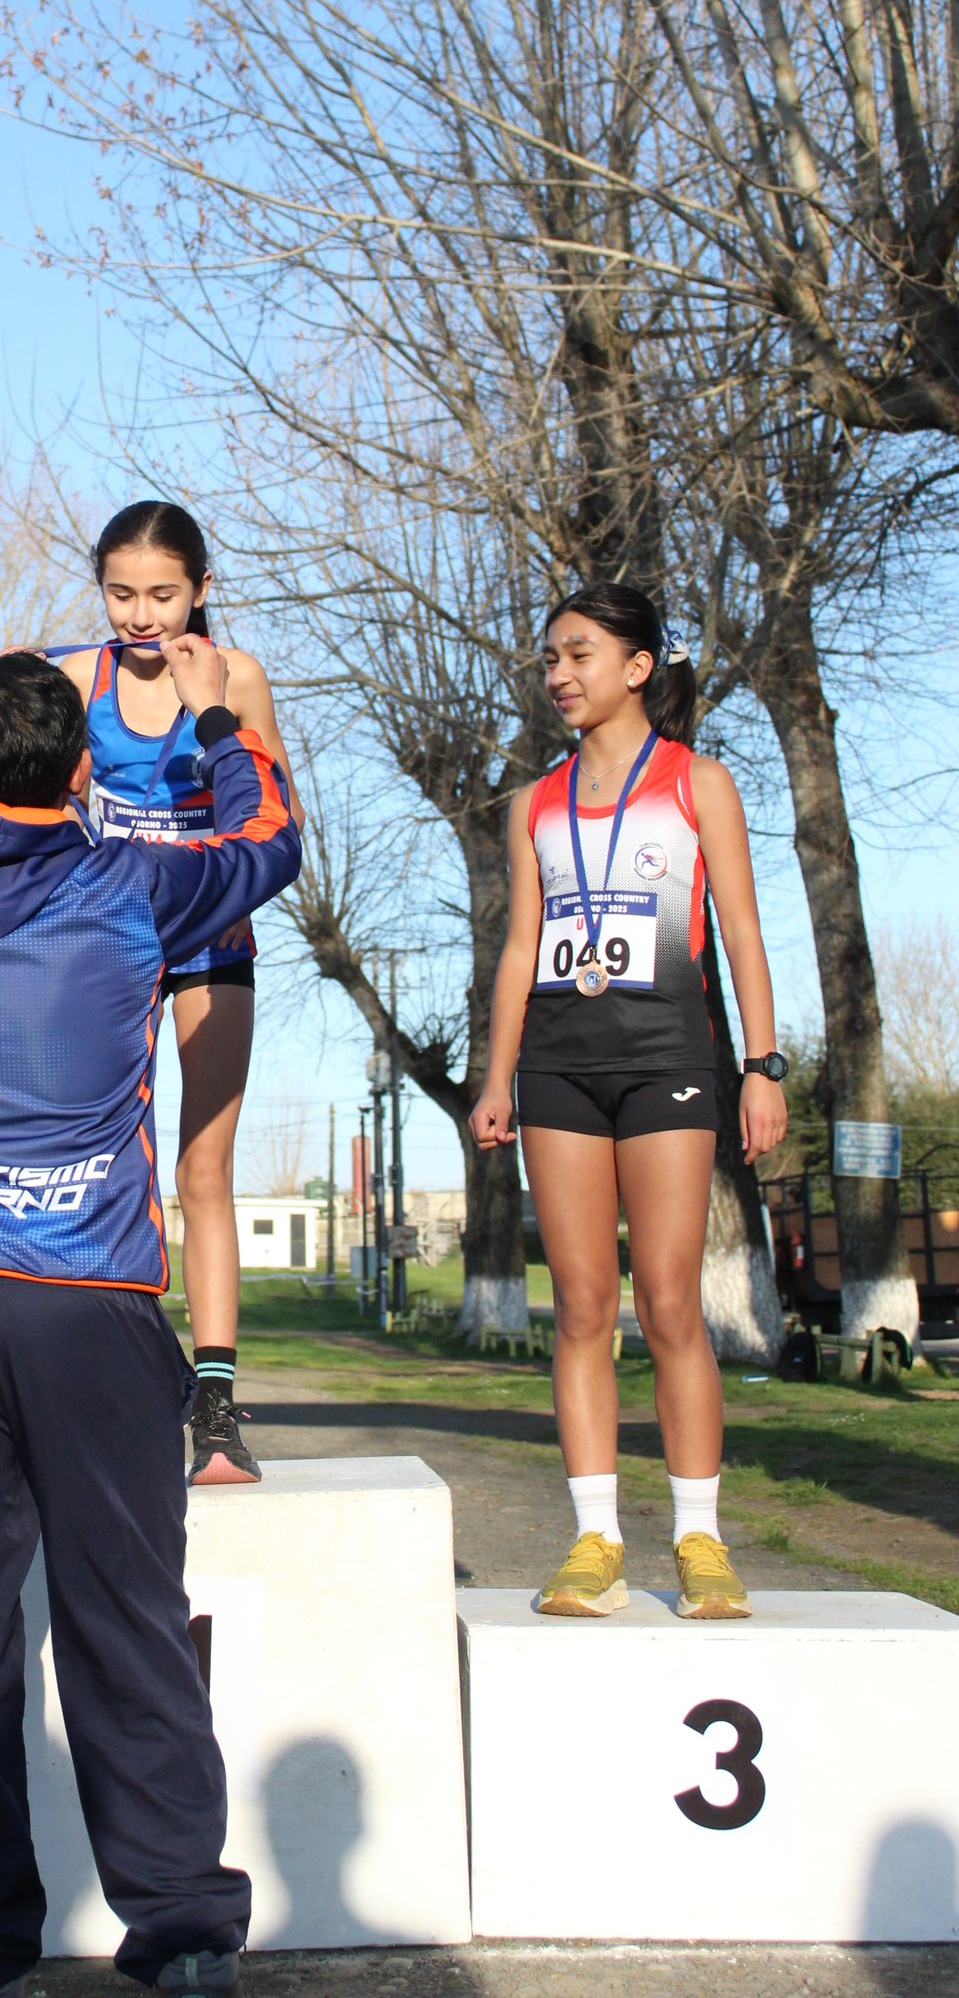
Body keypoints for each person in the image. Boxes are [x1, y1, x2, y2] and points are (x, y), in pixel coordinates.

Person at [0, 641, 301, 1998]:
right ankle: (185, 1932)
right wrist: (214, 718)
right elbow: (266, 834)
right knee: (126, 1620)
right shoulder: (137, 884)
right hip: (89, 1304)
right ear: (85, 771)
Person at [469, 583, 789, 1622]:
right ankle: (593, 1539)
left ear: (637, 666)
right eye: (550, 658)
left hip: (669, 1059)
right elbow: (521, 946)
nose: (558, 674)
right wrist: (494, 1078)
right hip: (557, 1067)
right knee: (579, 1309)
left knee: (666, 1303)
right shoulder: (534, 802)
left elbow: (739, 930)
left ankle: (699, 1540)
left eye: (578, 654)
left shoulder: (699, 784)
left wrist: (763, 1065)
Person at [54, 501, 303, 1488]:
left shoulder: (237, 677)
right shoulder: (78, 680)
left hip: (210, 937)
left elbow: (270, 812)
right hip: (111, 943)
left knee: (204, 1168)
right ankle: (89, 1382)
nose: (140, 616)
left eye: (162, 594)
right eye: (120, 594)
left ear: (201, 589)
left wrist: (214, 711)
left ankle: (214, 1404)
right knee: (91, 1156)